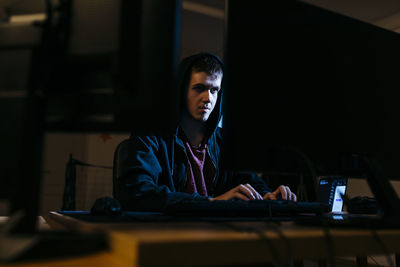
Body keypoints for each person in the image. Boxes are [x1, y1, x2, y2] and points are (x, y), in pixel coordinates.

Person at [116, 52, 297, 211]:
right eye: (199, 88)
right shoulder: (150, 136)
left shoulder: (224, 141)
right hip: (166, 235)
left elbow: (249, 181)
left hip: (217, 235)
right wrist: (211, 202)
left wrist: (269, 196)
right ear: (181, 91)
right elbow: (137, 193)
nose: (208, 98)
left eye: (214, 90)